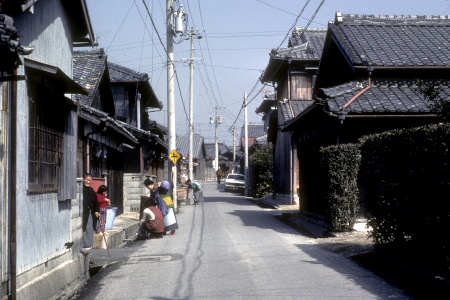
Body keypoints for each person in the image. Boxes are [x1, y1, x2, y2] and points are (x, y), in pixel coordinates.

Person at [82, 174, 100, 249]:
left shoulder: (92, 190)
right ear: (83, 179)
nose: (88, 182)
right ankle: (85, 244)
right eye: (87, 180)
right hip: (82, 212)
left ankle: (89, 245)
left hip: (90, 212)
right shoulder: (81, 189)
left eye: (90, 180)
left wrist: (97, 211)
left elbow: (96, 202)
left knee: (89, 228)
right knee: (83, 228)